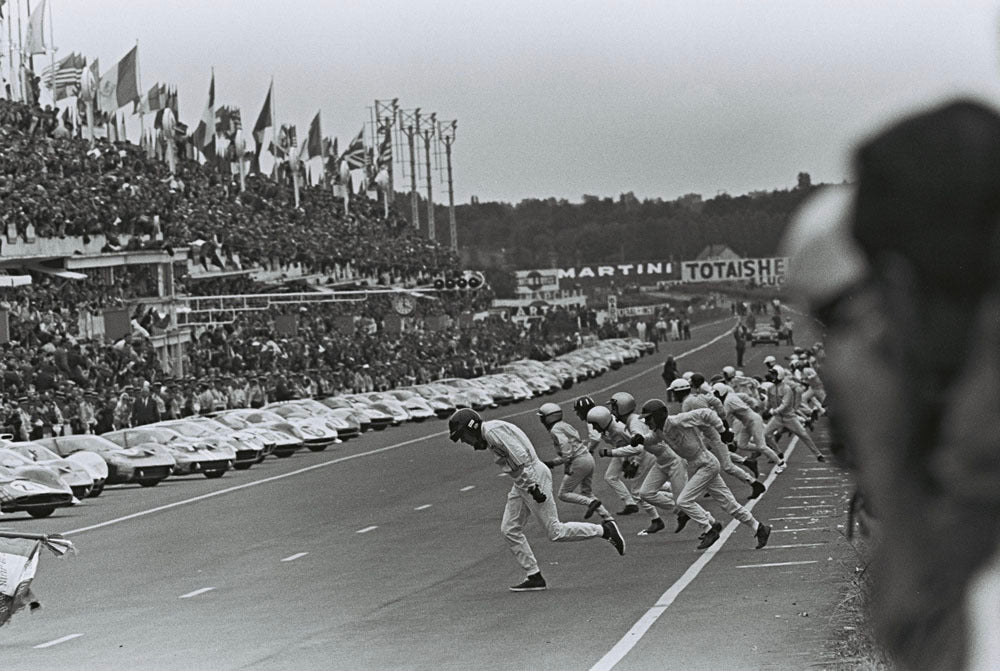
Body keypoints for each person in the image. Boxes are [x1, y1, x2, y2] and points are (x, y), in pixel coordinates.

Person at [447, 409, 624, 592]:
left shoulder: (492, 432)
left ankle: (604, 530)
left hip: (532, 478)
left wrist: (532, 487)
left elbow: (520, 457)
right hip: (524, 481)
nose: (465, 442)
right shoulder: (491, 432)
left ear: (472, 427)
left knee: (555, 532)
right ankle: (534, 575)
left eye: (464, 436)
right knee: (509, 529)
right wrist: (527, 484)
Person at [634, 399, 771, 551]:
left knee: (683, 501)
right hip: (698, 465)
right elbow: (653, 438)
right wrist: (642, 439)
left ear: (659, 416)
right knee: (729, 504)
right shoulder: (659, 431)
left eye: (649, 418)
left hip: (706, 463)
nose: (647, 421)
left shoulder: (678, 421)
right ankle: (759, 528)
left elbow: (707, 413)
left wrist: (722, 430)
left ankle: (709, 529)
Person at [536, 402, 612, 523]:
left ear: (548, 417)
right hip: (587, 458)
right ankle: (607, 517)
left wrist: (566, 464)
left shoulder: (555, 430)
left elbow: (566, 448)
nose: (542, 421)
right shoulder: (564, 425)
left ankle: (591, 502)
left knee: (563, 494)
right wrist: (553, 463)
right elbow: (572, 447)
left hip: (578, 462)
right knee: (586, 491)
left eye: (542, 417)